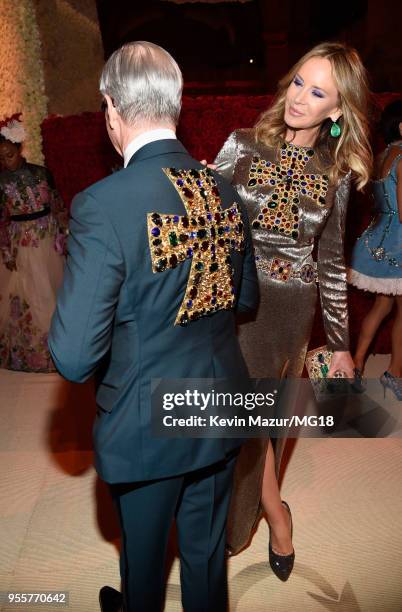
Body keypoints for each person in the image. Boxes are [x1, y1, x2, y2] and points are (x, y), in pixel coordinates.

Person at [48, 41, 259, 612]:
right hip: (219, 403)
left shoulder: (104, 203)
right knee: (205, 559)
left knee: (141, 574)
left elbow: (72, 356)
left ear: (111, 109)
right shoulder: (222, 188)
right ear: (177, 101)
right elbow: (244, 298)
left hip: (147, 416)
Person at [214, 42, 372, 579]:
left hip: (293, 311)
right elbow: (211, 227)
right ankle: (275, 515)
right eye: (299, 82)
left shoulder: (338, 171)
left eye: (318, 91)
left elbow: (330, 261)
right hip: (241, 305)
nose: (300, 98)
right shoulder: (242, 145)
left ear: (337, 110)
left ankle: (259, 512)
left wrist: (341, 343)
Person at [0, 114, 68, 372]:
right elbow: (2, 220)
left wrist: (64, 234)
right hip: (20, 240)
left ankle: (60, 349)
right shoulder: (0, 182)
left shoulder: (41, 173)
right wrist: (6, 249)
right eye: (1, 158)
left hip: (46, 237)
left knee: (51, 291)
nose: (6, 162)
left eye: (9, 154)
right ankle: (30, 353)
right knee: (28, 292)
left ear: (19, 148)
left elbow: (58, 205)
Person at [348, 100, 402, 400]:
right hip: (399, 244)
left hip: (376, 239)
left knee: (381, 307)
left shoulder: (382, 156)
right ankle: (395, 374)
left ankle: (356, 365)